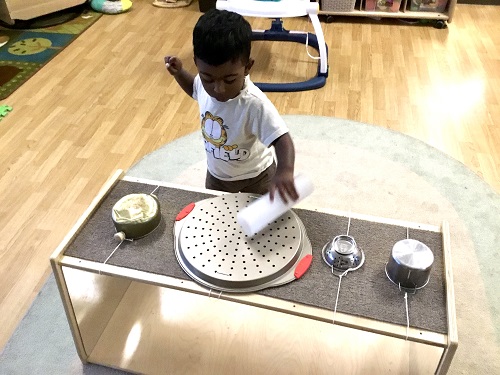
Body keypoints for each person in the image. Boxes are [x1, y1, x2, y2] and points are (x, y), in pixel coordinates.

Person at [164, 9, 298, 202]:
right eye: (208, 78)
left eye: (229, 79)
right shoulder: (202, 84)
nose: (218, 89)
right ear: (197, 64)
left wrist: (285, 171)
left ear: (248, 66)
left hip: (257, 177)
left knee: (263, 224)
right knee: (217, 219)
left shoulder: (254, 103)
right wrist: (179, 73)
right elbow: (194, 89)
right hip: (217, 176)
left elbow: (282, 139)